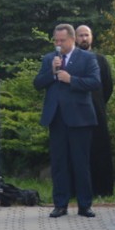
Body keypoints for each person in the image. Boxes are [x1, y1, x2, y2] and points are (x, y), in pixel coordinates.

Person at [34, 23, 101, 218]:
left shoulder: (87, 58)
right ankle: (60, 204)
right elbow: (37, 83)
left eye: (62, 40)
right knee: (59, 163)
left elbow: (95, 82)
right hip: (57, 118)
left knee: (81, 163)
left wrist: (71, 79)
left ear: (72, 39)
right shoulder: (49, 59)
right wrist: (52, 72)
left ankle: (84, 205)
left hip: (80, 118)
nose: (58, 44)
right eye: (56, 40)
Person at [76, 25, 115, 197]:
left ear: (92, 37)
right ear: (75, 38)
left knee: (100, 150)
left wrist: (98, 102)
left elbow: (108, 86)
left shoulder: (101, 60)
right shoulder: (70, 60)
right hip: (76, 112)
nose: (84, 38)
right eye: (81, 35)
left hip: (97, 111)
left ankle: (102, 190)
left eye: (87, 35)